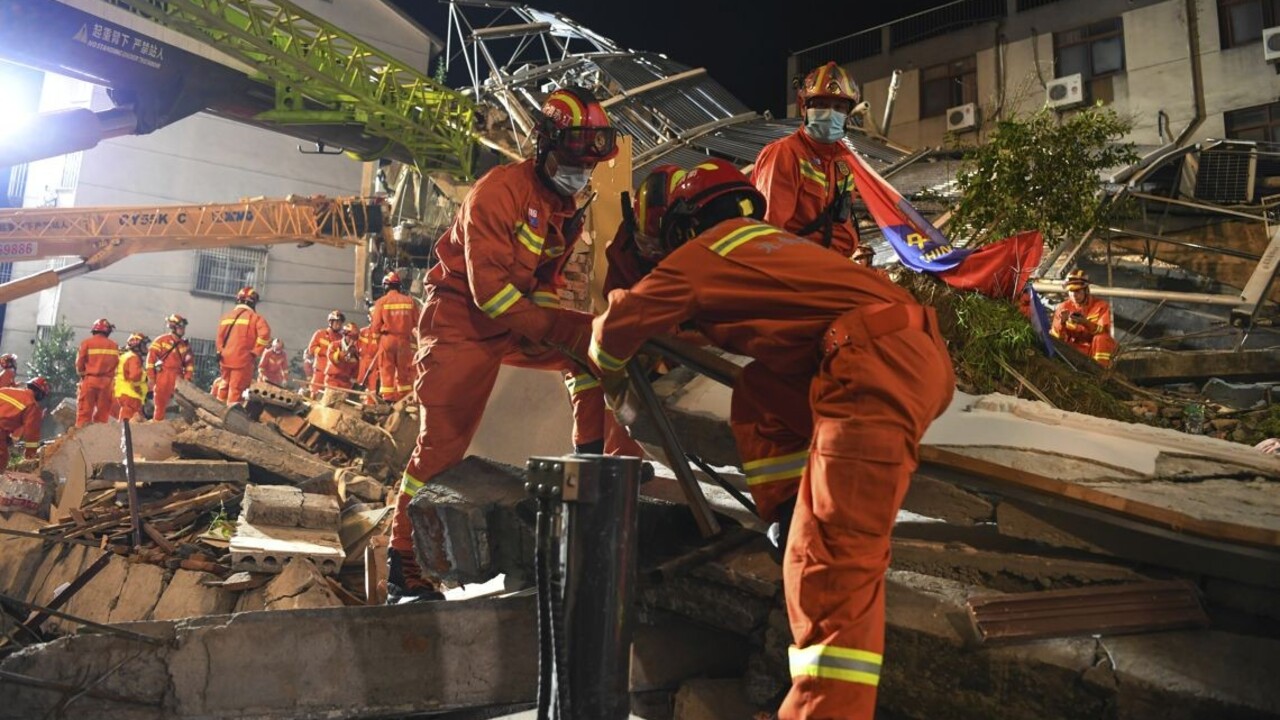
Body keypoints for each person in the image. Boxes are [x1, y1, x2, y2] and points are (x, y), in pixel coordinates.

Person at [588, 160, 954, 720]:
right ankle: (785, 510)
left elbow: (621, 323)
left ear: (683, 225)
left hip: (868, 370)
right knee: (757, 387)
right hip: (899, 357)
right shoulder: (771, 247)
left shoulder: (706, 252)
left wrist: (608, 373)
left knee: (828, 562)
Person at [388, 86, 640, 603]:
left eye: (591, 161)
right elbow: (490, 296)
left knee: (597, 350)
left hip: (516, 316)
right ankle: (404, 564)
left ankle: (593, 477)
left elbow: (541, 281)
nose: (583, 170)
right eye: (575, 158)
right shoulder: (497, 192)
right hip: (463, 322)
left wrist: (572, 329)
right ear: (545, 145)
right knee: (442, 448)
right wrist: (553, 327)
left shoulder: (564, 201)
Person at [752, 61, 863, 257]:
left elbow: (842, 221)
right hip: (798, 268)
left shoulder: (843, 162)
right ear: (804, 108)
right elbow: (768, 232)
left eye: (839, 107)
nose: (831, 112)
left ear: (847, 114)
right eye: (822, 104)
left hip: (833, 266)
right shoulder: (785, 153)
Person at [368, 272, 419, 402]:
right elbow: (417, 323)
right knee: (404, 371)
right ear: (399, 286)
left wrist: (377, 343)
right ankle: (405, 399)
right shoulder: (410, 301)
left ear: (385, 286)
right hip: (404, 341)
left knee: (386, 369)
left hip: (387, 340)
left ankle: (388, 399)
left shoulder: (381, 302)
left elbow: (375, 326)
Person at [215, 287, 271, 405]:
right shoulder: (255, 318)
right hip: (243, 360)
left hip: (225, 358)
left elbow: (219, 338)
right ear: (253, 302)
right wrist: (255, 352)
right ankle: (231, 417)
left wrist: (220, 351)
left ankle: (218, 408)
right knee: (237, 389)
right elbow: (265, 335)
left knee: (224, 385)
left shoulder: (226, 317)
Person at [1050, 270, 1117, 368]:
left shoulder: (1101, 306)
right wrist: (1061, 323)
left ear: (1086, 290)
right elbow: (1055, 338)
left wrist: (1085, 323)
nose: (1074, 295)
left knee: (1101, 338)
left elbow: (1103, 331)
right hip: (1072, 351)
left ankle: (1100, 371)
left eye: (1077, 291)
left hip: (1093, 351)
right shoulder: (1063, 307)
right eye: (1071, 291)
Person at [146, 314, 195, 421]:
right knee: (160, 405)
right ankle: (157, 425)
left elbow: (189, 364)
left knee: (180, 405)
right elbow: (150, 360)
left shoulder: (185, 345)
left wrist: (187, 378)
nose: (183, 330)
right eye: (181, 327)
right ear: (173, 327)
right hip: (163, 375)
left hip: (178, 377)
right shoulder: (161, 341)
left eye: (183, 327)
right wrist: (151, 378)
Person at [75, 318, 119, 426]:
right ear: (107, 331)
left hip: (90, 380)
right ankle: (98, 435)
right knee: (102, 412)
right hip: (107, 383)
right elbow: (116, 364)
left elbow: (80, 362)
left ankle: (81, 435)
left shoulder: (86, 343)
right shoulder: (114, 345)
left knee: (84, 411)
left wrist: (82, 373)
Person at [0, 377, 48, 468]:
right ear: (40, 395)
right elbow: (31, 434)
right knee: (2, 460)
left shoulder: (5, 390)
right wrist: (30, 454)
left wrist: (6, 438)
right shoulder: (32, 405)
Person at [306, 311, 345, 397]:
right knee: (315, 391)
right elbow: (311, 349)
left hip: (332, 373)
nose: (338, 324)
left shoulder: (342, 339)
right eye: (336, 322)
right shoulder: (320, 333)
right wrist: (327, 352)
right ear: (330, 322)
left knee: (329, 396)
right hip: (320, 368)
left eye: (340, 323)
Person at [114, 333, 149, 422]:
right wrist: (138, 389)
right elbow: (135, 376)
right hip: (131, 394)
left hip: (125, 393)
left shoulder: (126, 356)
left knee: (127, 416)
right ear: (137, 345)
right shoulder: (133, 358)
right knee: (131, 420)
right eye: (143, 345)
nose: (146, 348)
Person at [325, 322, 361, 392]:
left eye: (354, 338)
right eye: (350, 337)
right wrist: (343, 355)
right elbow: (331, 357)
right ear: (345, 335)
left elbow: (356, 367)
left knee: (342, 401)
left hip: (346, 383)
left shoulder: (355, 351)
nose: (352, 340)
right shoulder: (335, 345)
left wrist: (354, 377)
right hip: (333, 380)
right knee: (330, 399)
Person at [357, 324, 380, 403]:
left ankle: (369, 406)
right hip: (362, 362)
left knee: (372, 389)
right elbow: (356, 346)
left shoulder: (381, 334)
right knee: (358, 384)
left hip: (374, 363)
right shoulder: (362, 331)